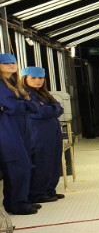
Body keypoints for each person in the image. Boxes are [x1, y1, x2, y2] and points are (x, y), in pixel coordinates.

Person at [0, 53, 39, 215]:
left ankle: (20, 200)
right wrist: (25, 102)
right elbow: (14, 106)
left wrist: (23, 103)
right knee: (16, 166)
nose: (11, 65)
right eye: (6, 63)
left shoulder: (14, 84)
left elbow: (33, 105)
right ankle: (16, 204)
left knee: (24, 165)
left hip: (20, 129)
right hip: (7, 130)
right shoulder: (1, 85)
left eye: (14, 62)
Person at [22, 67, 65, 203]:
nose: (38, 81)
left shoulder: (44, 94)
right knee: (41, 161)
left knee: (53, 160)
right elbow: (39, 112)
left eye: (40, 78)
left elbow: (59, 108)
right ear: (25, 79)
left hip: (52, 132)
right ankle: (37, 192)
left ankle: (49, 189)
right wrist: (53, 109)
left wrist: (52, 109)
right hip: (38, 132)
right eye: (33, 78)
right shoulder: (25, 94)